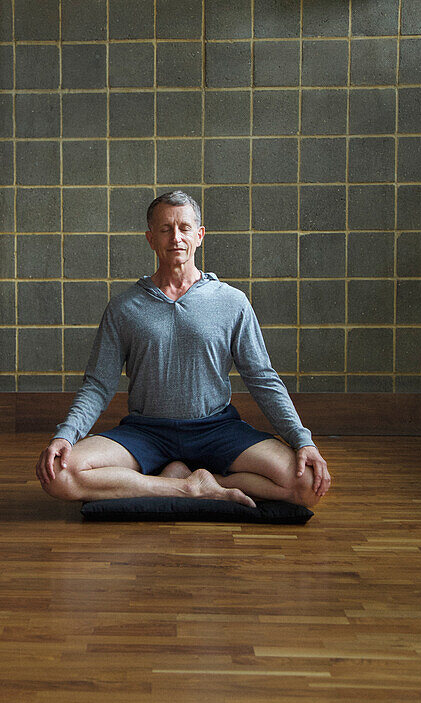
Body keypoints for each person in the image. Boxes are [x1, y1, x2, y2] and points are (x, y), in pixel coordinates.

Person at [35, 190, 331, 508]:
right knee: (59, 474)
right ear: (151, 238)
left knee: (306, 484)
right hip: (147, 432)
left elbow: (262, 378)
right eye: (165, 229)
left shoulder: (232, 302)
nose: (176, 237)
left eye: (185, 228)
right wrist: (65, 435)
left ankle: (211, 482)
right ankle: (183, 487)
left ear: (199, 235)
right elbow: (98, 385)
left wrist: (302, 440)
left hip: (216, 428)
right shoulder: (124, 307)